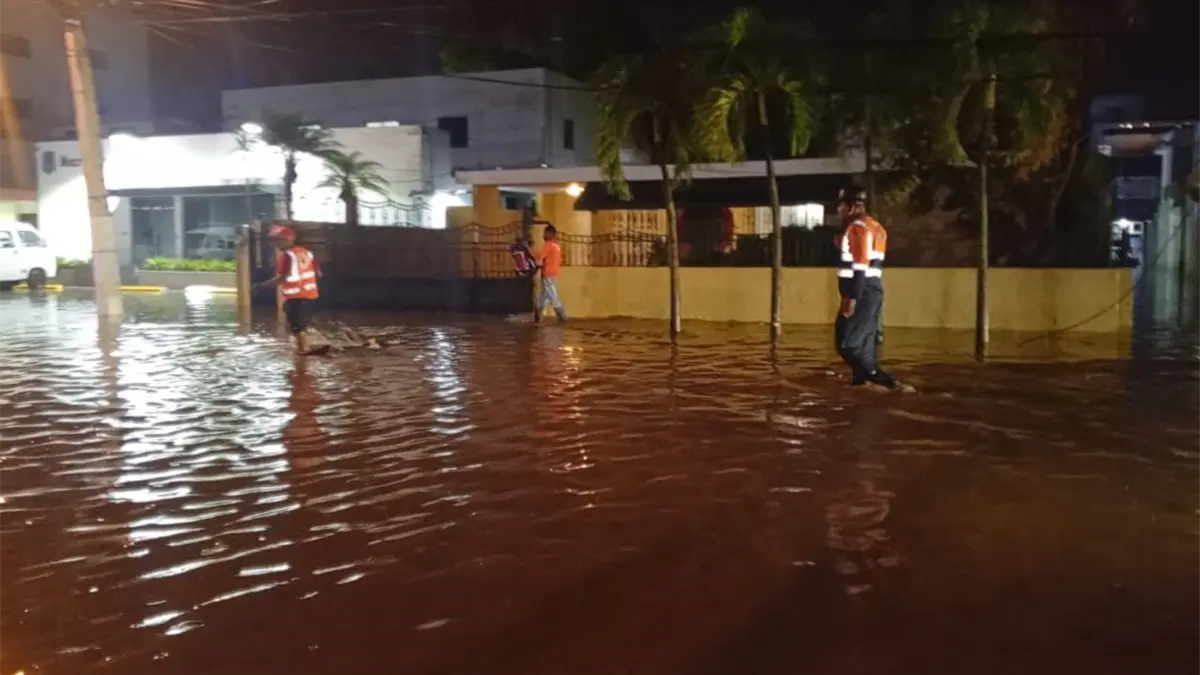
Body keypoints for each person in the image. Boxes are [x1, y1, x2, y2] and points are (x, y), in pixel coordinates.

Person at [833, 188, 907, 390]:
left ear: (854, 206)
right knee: (863, 348)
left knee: (847, 343)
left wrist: (852, 297)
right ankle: (861, 387)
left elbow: (860, 265)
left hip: (862, 292)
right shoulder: (875, 226)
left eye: (842, 205)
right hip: (872, 290)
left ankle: (881, 380)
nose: (839, 209)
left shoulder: (858, 227)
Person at [256, 224, 323, 355]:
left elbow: (282, 278)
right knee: (298, 321)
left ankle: (304, 349)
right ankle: (303, 344)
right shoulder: (306, 252)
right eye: (275, 241)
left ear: (289, 239)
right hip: (310, 294)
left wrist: (261, 286)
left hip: (296, 296)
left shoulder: (286, 256)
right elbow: (319, 273)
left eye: (279, 240)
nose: (277, 244)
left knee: (296, 324)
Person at [533, 224, 566, 324]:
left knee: (553, 297)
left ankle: (562, 319)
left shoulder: (548, 245)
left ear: (549, 234)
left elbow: (539, 256)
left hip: (548, 274)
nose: (544, 235)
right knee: (542, 296)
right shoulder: (557, 246)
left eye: (545, 233)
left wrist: (530, 250)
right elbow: (559, 260)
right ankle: (537, 318)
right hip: (554, 273)